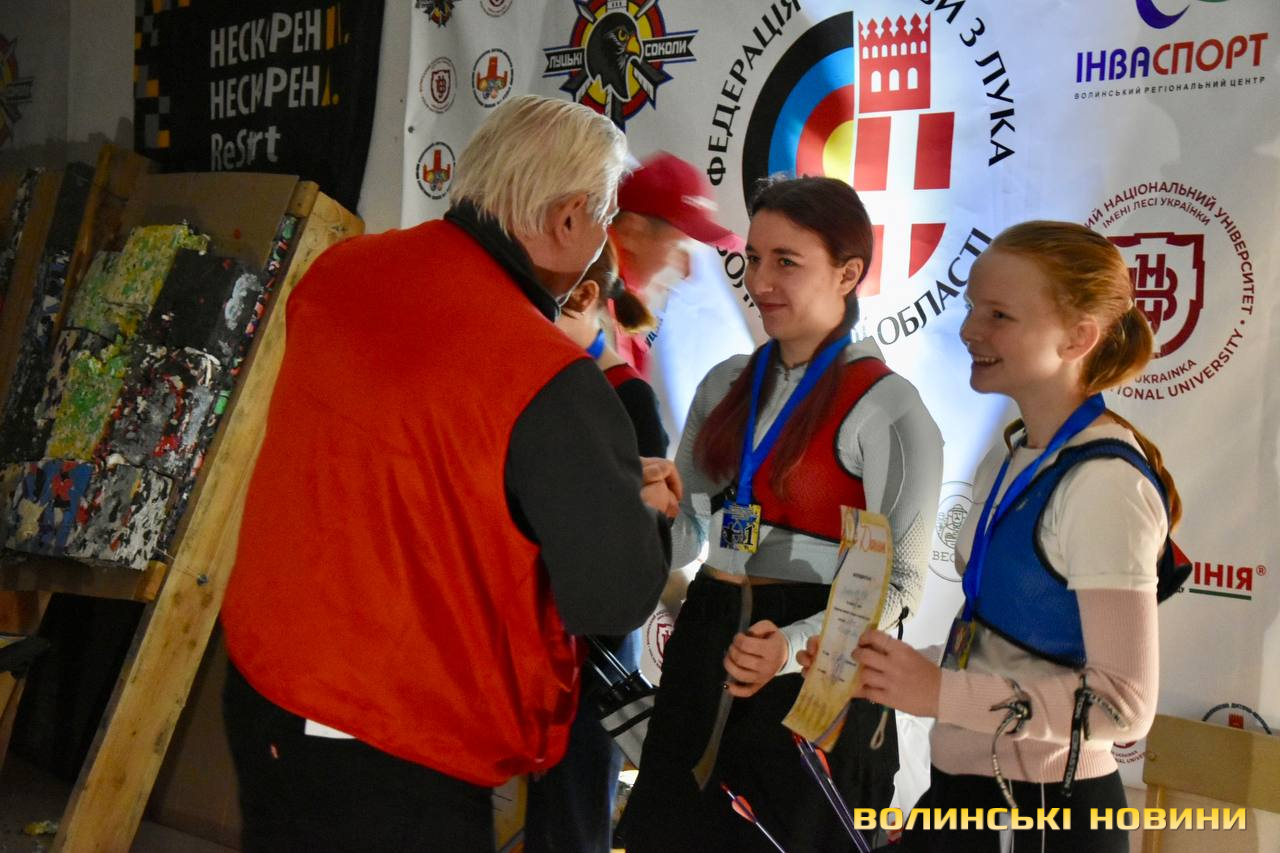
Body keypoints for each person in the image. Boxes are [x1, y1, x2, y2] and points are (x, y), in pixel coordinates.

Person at [218, 95, 681, 852]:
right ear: (569, 219)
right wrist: (644, 512)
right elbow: (611, 597)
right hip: (398, 745)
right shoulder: (546, 375)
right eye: (604, 220)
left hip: (263, 685)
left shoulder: (339, 271)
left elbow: (408, 461)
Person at [833, 221, 1179, 852]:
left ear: (1078, 338)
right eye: (971, 307)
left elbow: (1123, 707)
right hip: (968, 796)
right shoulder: (1013, 453)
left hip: (1046, 815)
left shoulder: (1104, 483)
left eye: (999, 315)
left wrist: (940, 692)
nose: (970, 329)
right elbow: (1003, 649)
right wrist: (889, 670)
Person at [621, 176, 944, 852]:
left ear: (848, 273)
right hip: (709, 641)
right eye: (754, 259)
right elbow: (689, 539)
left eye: (786, 262)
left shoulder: (890, 408)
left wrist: (792, 647)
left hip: (813, 667)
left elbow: (899, 585)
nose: (761, 281)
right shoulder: (725, 383)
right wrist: (642, 516)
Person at [523, 239, 668, 853]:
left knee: (574, 822)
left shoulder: (629, 397)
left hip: (593, 650)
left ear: (584, 298)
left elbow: (638, 548)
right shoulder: (552, 380)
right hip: (540, 636)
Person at [608, 151, 742, 375]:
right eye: (678, 248)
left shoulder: (616, 315)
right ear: (631, 232)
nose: (688, 272)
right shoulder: (592, 316)